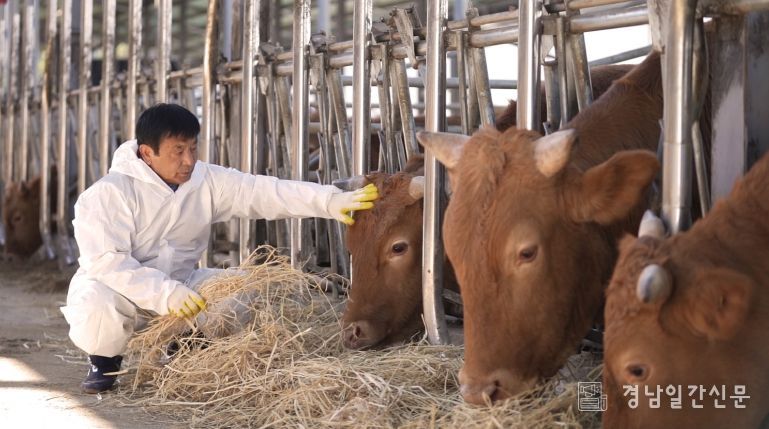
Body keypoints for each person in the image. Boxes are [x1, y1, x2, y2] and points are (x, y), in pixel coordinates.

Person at [60, 103, 378, 394]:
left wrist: (328, 201)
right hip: (119, 289)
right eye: (178, 151)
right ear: (147, 153)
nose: (189, 160)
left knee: (240, 290)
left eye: (192, 148)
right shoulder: (107, 194)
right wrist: (165, 293)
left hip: (182, 282)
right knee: (96, 303)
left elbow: (263, 192)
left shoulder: (205, 180)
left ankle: (186, 348)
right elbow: (108, 262)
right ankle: (104, 362)